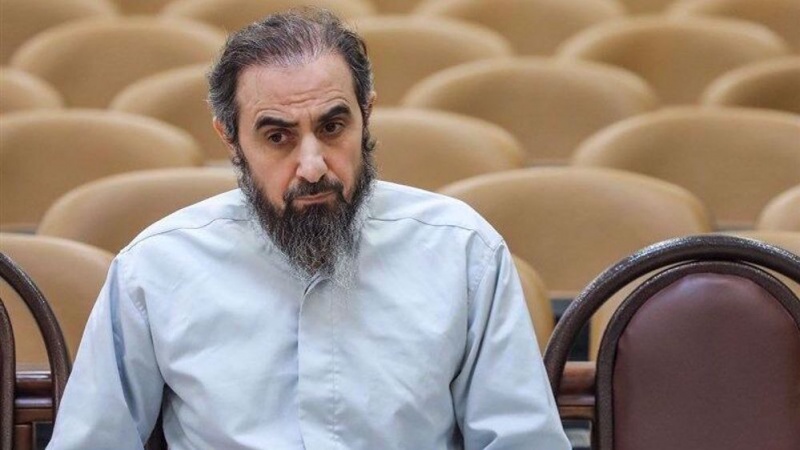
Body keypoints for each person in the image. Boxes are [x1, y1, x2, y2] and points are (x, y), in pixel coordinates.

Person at [47, 9, 570, 450]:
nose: (313, 165)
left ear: (366, 115)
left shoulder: (462, 252)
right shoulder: (155, 269)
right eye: (278, 136)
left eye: (332, 126)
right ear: (230, 139)